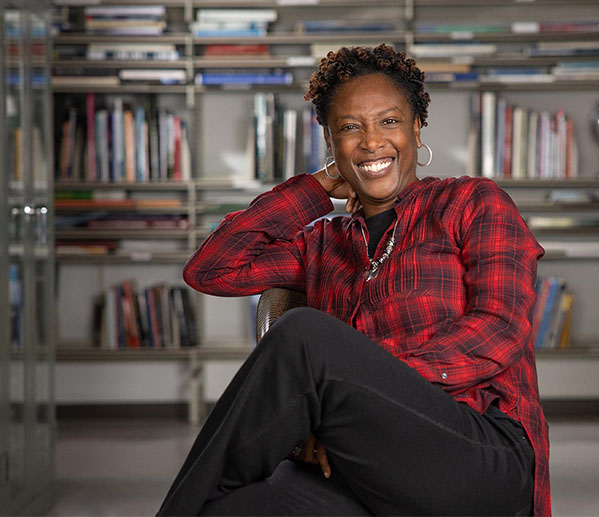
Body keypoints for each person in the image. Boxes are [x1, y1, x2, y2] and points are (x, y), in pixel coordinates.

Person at [157, 43, 549, 517]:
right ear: (330, 144)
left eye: (388, 121)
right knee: (230, 509)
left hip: (476, 450)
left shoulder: (471, 203)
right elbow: (210, 269)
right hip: (359, 462)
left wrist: (356, 389)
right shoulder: (321, 243)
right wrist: (316, 187)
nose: (371, 142)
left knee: (302, 334)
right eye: (349, 128)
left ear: (415, 128)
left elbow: (500, 329)